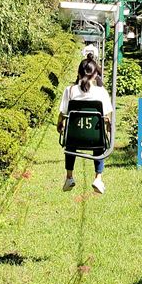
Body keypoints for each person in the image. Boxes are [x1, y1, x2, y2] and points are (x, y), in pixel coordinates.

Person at [57, 53, 113, 194]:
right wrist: (108, 128)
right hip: (95, 138)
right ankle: (98, 178)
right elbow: (107, 116)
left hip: (74, 137)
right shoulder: (101, 93)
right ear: (95, 76)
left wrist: (60, 125)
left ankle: (69, 176)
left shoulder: (70, 91)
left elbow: (63, 113)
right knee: (99, 141)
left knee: (70, 142)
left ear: (78, 73)